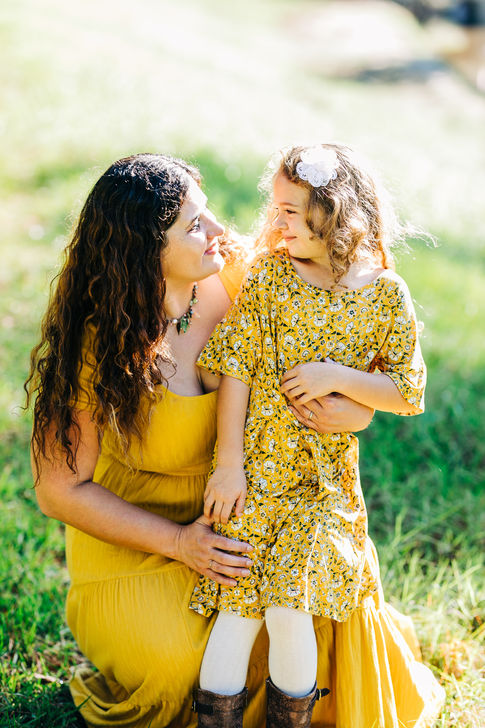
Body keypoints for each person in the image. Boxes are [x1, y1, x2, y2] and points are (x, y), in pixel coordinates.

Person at [25, 153, 375, 728]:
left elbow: (357, 329)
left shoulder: (243, 277)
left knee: (315, 623)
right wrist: (180, 543)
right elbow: (58, 491)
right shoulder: (96, 338)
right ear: (144, 252)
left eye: (207, 210)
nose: (217, 228)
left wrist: (356, 411)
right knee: (181, 670)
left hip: (253, 516)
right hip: (141, 535)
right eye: (194, 224)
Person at [189, 144, 445, 727]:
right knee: (238, 610)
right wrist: (228, 464)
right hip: (257, 476)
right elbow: (236, 368)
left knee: (289, 606)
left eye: (290, 210)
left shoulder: (385, 292)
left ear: (333, 214)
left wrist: (339, 379)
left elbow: (407, 391)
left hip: (322, 486)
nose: (275, 221)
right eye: (275, 207)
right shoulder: (272, 277)